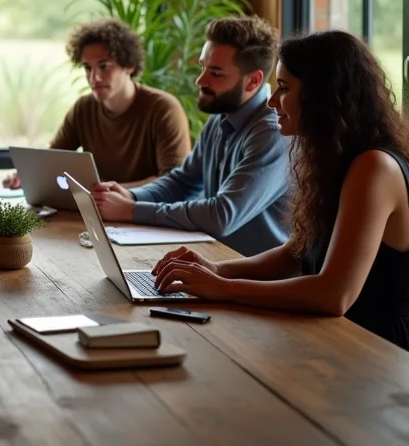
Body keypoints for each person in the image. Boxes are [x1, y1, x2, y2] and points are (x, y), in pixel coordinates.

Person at [154, 31, 409, 349]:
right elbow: (294, 254)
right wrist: (216, 269)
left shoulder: (374, 167)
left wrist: (224, 288)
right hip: (335, 335)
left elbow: (334, 295)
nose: (272, 100)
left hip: (378, 349)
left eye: (284, 89)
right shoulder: (331, 160)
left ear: (322, 96)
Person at [92, 16, 289, 257]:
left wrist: (131, 210)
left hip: (260, 280)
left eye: (215, 73)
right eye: (202, 66)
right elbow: (183, 181)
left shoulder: (273, 131)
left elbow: (222, 215)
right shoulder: (222, 115)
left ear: (253, 81)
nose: (200, 80)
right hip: (216, 261)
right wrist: (130, 196)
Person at [5, 18, 191, 189]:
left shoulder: (164, 109)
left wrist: (108, 191)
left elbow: (174, 182)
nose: (94, 77)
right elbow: (52, 161)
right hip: (97, 211)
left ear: (130, 65)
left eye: (104, 66)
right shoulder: (83, 109)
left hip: (146, 214)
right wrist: (28, 177)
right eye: (88, 68)